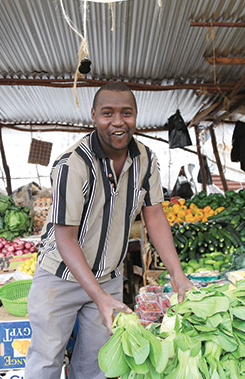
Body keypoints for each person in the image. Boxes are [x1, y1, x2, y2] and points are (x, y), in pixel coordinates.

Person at [26, 82, 193, 379]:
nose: (118, 121)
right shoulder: (72, 165)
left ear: (136, 116)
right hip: (59, 279)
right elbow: (65, 238)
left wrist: (178, 276)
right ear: (93, 116)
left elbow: (154, 217)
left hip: (109, 277)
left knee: (96, 366)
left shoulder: (145, 159)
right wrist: (98, 296)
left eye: (126, 113)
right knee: (46, 361)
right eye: (108, 113)